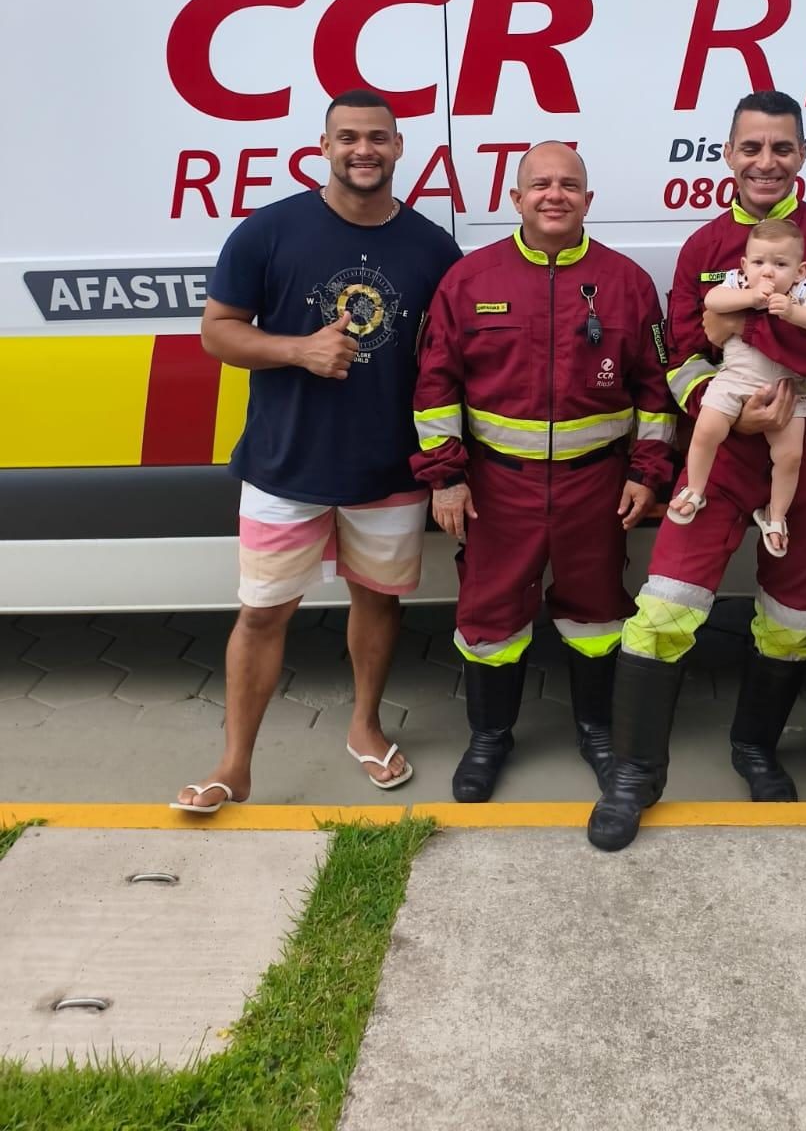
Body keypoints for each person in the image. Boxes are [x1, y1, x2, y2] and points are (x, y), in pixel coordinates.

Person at [588, 90, 806, 852]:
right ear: (728, 155)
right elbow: (677, 355)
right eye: (752, 147)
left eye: (782, 148)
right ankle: (634, 777)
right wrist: (730, 400)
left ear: (803, 155)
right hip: (719, 450)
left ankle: (755, 747)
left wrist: (738, 324)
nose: (766, 162)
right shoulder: (701, 245)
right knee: (665, 603)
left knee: (794, 617)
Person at [172, 90, 461, 814]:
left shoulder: (432, 247)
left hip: (389, 469)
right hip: (285, 464)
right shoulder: (269, 232)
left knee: (379, 602)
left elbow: (449, 359)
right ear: (323, 147)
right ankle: (234, 766)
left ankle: (365, 724)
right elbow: (217, 332)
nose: (363, 150)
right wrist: (296, 349)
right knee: (264, 612)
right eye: (348, 138)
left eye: (377, 138)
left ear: (399, 149)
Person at [412, 141, 675, 802]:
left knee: (598, 614)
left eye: (568, 184)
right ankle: (490, 737)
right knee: (490, 617)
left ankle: (597, 730)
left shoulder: (626, 283)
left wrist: (647, 473)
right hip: (498, 487)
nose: (553, 195)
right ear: (516, 198)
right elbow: (436, 384)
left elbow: (655, 390)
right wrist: (446, 476)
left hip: (599, 484)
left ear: (588, 199)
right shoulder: (470, 280)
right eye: (539, 184)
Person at [667, 218, 806, 559]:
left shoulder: (801, 293)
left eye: (780, 264)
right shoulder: (737, 282)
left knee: (790, 457)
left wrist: (792, 313)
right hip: (733, 380)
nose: (768, 272)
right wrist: (750, 296)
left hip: (786, 389)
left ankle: (775, 517)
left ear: (800, 270)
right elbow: (713, 300)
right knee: (706, 431)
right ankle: (694, 491)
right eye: (759, 263)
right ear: (744, 265)